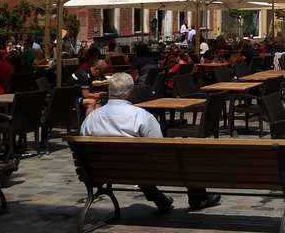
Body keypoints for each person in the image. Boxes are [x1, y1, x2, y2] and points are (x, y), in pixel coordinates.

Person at [81, 72, 220, 212]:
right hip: (142, 170)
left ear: (109, 90)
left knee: (138, 163)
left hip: (101, 171)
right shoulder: (141, 116)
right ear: (131, 91)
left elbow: (83, 141)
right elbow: (159, 149)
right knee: (183, 157)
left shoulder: (91, 118)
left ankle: (159, 199)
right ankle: (198, 198)